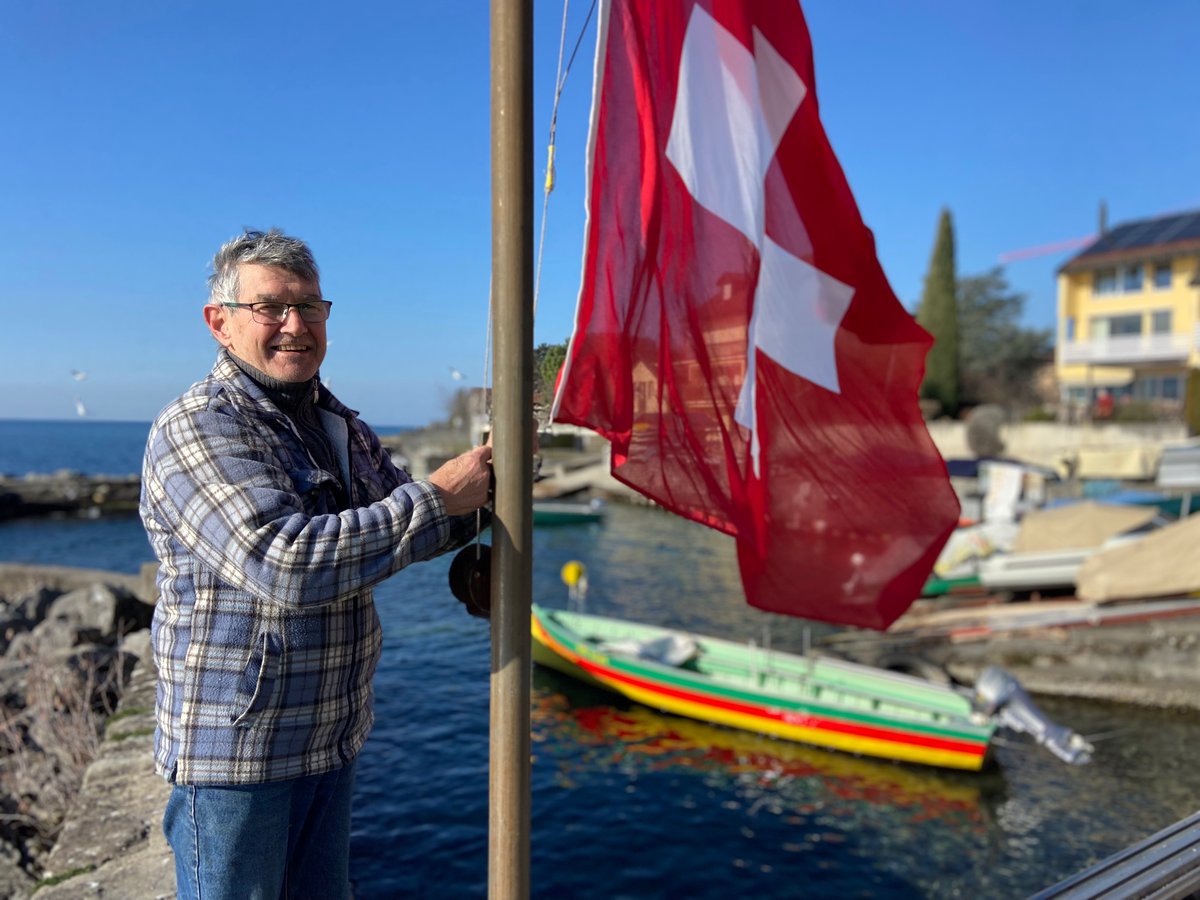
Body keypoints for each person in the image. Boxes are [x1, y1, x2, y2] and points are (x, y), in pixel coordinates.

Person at [139, 228, 494, 899]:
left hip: (330, 735)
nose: (295, 326)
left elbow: (402, 520)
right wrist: (441, 498)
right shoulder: (198, 426)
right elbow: (285, 563)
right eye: (269, 307)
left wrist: (485, 500)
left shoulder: (338, 423)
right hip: (237, 756)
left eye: (311, 307)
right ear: (219, 323)